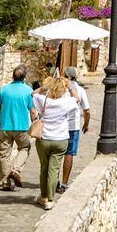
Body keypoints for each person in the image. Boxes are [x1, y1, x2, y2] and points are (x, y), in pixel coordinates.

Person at [33, 76, 80, 210]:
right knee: (54, 170)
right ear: (63, 90)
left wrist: (44, 88)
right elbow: (77, 99)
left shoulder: (43, 100)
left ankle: (43, 196)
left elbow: (33, 94)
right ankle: (50, 199)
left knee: (44, 168)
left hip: (44, 139)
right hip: (60, 139)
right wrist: (70, 87)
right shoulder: (66, 102)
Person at [0, 64, 34, 191]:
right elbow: (32, 111)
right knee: (25, 148)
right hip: (21, 127)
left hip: (4, 126)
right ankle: (16, 170)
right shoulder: (28, 91)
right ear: (24, 77)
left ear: (13, 76)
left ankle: (5, 182)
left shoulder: (4, 90)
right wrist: (35, 125)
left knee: (4, 155)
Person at [61, 66, 91, 191]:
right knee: (69, 153)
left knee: (57, 154)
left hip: (59, 124)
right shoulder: (80, 90)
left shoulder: (59, 88)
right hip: (73, 126)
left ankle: (53, 181)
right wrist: (86, 124)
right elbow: (87, 110)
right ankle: (64, 183)